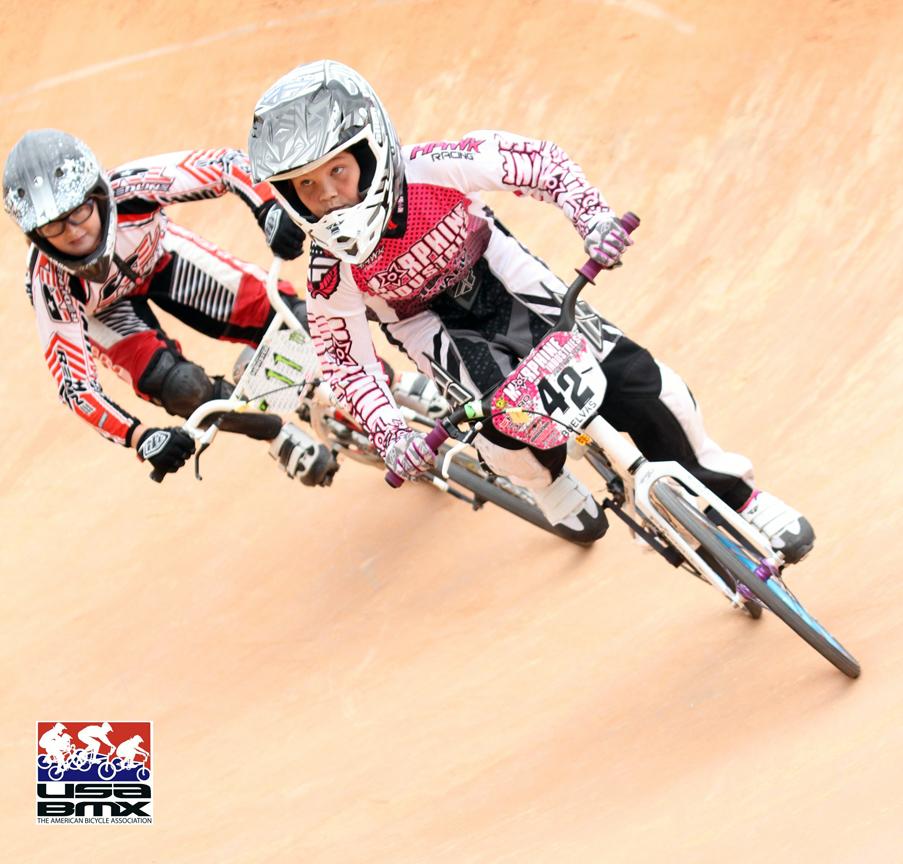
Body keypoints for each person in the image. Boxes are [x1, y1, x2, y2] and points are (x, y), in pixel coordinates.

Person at [246, 60, 814, 560]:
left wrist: (593, 219)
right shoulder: (328, 271)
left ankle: (741, 497)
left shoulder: (430, 168)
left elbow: (540, 162)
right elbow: (346, 363)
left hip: (502, 277)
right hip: (430, 325)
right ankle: (544, 482)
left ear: (374, 150)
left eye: (338, 171)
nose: (329, 196)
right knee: (506, 435)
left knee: (639, 384)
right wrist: (390, 432)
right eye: (307, 186)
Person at [2, 129, 337, 485]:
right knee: (182, 388)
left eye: (79, 211)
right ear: (35, 235)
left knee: (293, 319)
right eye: (53, 225)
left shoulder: (130, 188)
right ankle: (276, 433)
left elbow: (225, 165)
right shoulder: (49, 284)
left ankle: (310, 379)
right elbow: (76, 388)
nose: (73, 232)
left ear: (98, 194)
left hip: (161, 260)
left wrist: (267, 207)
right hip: (104, 312)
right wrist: (140, 437)